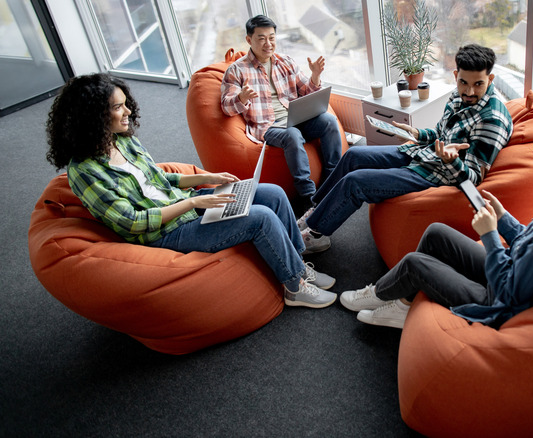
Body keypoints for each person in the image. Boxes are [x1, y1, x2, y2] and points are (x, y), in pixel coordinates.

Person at [46, 73, 337, 309]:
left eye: (125, 104)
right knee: (260, 217)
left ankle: (298, 263)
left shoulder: (121, 140)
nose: (128, 111)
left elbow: (159, 178)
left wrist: (209, 177)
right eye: (118, 107)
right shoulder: (84, 173)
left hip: (186, 205)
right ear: (94, 117)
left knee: (272, 193)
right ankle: (294, 287)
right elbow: (133, 222)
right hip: (165, 233)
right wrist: (194, 203)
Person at [339, 124, 533, 328]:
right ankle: (404, 303)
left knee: (415, 263)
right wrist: (503, 218)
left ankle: (380, 294)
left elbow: (506, 290)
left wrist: (489, 234)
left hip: (497, 302)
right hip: (513, 273)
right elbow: (530, 244)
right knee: (436, 233)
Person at [297, 44, 513, 245]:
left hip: (437, 173)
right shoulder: (459, 95)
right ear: (456, 76)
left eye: (478, 84)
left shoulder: (491, 120)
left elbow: (473, 179)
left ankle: (316, 236)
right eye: (464, 82)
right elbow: (440, 133)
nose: (469, 92)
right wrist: (417, 133)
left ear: (490, 78)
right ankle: (317, 210)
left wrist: (452, 161)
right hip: (424, 154)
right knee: (353, 156)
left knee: (356, 182)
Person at [220, 15, 342, 217]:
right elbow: (226, 107)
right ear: (249, 40)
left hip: (296, 117)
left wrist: (315, 76)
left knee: (329, 121)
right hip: (268, 126)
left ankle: (333, 180)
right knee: (292, 135)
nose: (268, 44)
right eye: (261, 38)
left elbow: (306, 91)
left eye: (272, 38)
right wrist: (241, 97)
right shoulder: (237, 70)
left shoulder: (285, 61)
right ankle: (308, 196)